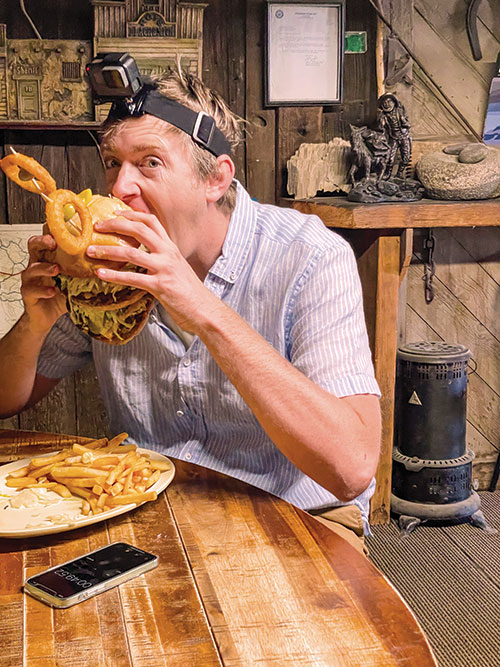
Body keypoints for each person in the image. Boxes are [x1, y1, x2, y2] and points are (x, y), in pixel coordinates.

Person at [0, 66, 381, 553]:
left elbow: (350, 468)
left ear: (215, 180)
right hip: (148, 509)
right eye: (113, 163)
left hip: (299, 514)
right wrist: (36, 324)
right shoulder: (103, 269)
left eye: (150, 163)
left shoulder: (310, 257)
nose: (119, 189)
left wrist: (200, 305)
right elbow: (9, 399)